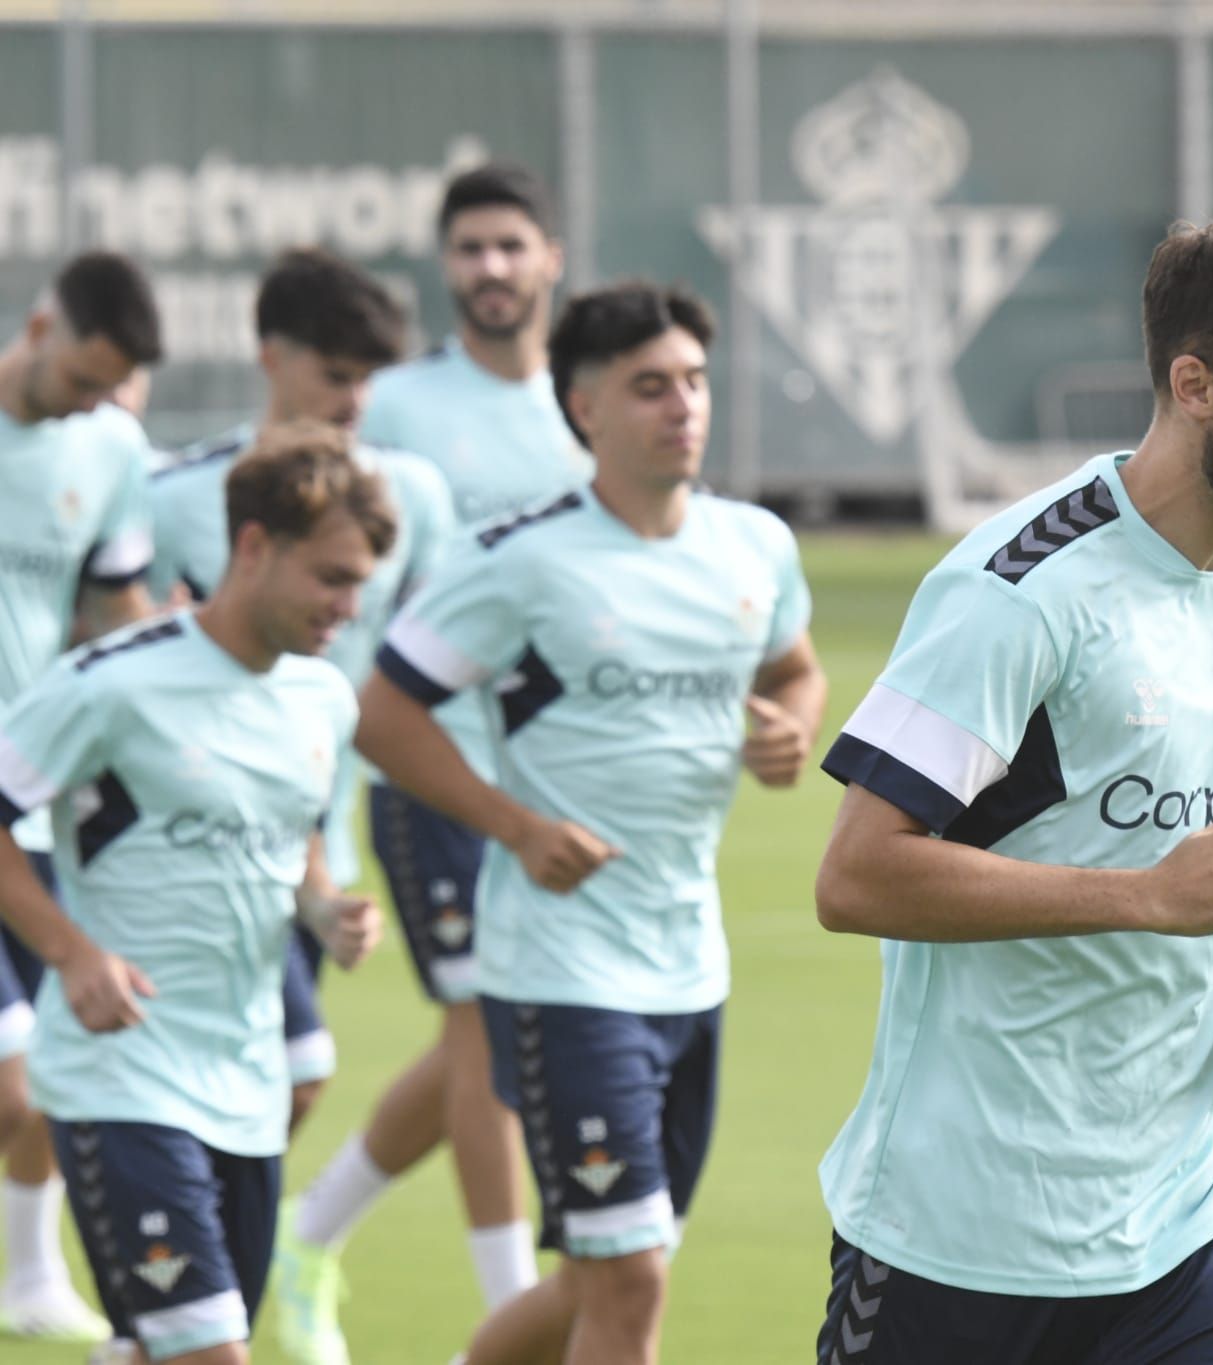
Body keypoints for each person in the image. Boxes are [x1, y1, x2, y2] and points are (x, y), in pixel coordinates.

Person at [808, 200, 1213, 1365]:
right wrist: (1145, 899)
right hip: (958, 1235)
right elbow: (856, 877)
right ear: (1197, 385)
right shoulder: (1016, 592)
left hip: (1182, 1224)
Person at [360, 280, 822, 1365]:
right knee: (631, 1284)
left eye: (696, 382)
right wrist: (513, 826)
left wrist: (787, 733)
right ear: (584, 410)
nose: (683, 407)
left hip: (689, 967)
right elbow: (382, 712)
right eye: (650, 387)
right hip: (562, 972)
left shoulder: (753, 546)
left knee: (599, 1281)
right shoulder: (519, 558)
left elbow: (795, 670)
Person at [273, 161, 590, 1361]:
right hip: (429, 768)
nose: (490, 269)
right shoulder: (397, 410)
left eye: (511, 245)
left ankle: (308, 1239)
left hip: (552, 780)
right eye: (467, 250)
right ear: (445, 268)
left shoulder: (590, 406)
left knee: (491, 1033)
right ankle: (514, 1318)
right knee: (485, 1035)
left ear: (551, 257)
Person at [0, 422, 387, 1365]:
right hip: (121, 1079)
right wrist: (73, 953)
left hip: (247, 1090)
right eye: (330, 577)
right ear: (253, 546)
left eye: (359, 585)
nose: (346, 606)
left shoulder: (323, 698)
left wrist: (326, 903)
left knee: (157, 1348)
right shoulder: (112, 683)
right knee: (209, 1354)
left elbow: (290, 829)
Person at [148, 247, 456, 1139]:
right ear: (270, 356)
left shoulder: (413, 500)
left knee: (273, 1083)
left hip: (316, 841)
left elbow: (422, 673)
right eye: (334, 374)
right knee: (273, 1067)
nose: (355, 400)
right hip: (183, 845)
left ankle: (219, 1250)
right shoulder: (171, 497)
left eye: (369, 378)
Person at [0, 250, 161, 1345]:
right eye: (83, 376)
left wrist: (175, 658)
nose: (94, 400)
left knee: (57, 1058)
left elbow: (112, 606)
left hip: (30, 785)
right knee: (18, 1077)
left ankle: (26, 1275)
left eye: (112, 386)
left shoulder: (111, 449)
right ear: (42, 324)